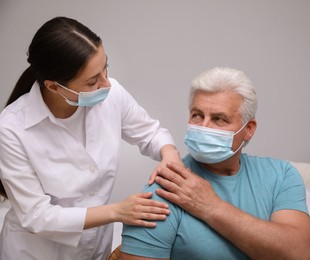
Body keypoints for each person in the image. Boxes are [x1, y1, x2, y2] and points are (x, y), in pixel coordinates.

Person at [0, 16, 183, 260]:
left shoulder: (112, 93)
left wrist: (169, 154)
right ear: (54, 87)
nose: (106, 84)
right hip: (36, 252)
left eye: (105, 67)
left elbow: (151, 133)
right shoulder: (10, 128)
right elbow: (37, 216)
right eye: (92, 81)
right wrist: (118, 211)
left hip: (95, 249)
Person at [121, 67, 310, 260]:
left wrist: (212, 207)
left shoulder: (281, 175)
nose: (204, 127)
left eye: (218, 119)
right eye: (197, 115)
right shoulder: (167, 188)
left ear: (248, 129)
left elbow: (299, 254)